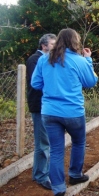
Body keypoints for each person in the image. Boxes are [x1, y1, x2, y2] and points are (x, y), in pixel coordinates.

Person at [31, 28, 98, 196]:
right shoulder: (80, 60)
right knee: (78, 142)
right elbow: (91, 82)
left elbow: (35, 84)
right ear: (75, 42)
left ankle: (58, 187)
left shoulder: (44, 59)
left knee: (56, 149)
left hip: (49, 112)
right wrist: (89, 61)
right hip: (73, 112)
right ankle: (75, 174)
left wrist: (52, 86)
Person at [26, 33, 56, 190]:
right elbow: (36, 84)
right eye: (52, 44)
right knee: (43, 143)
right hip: (39, 106)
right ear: (44, 46)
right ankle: (41, 176)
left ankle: (38, 172)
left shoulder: (47, 59)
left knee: (45, 142)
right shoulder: (34, 60)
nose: (55, 46)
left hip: (46, 105)